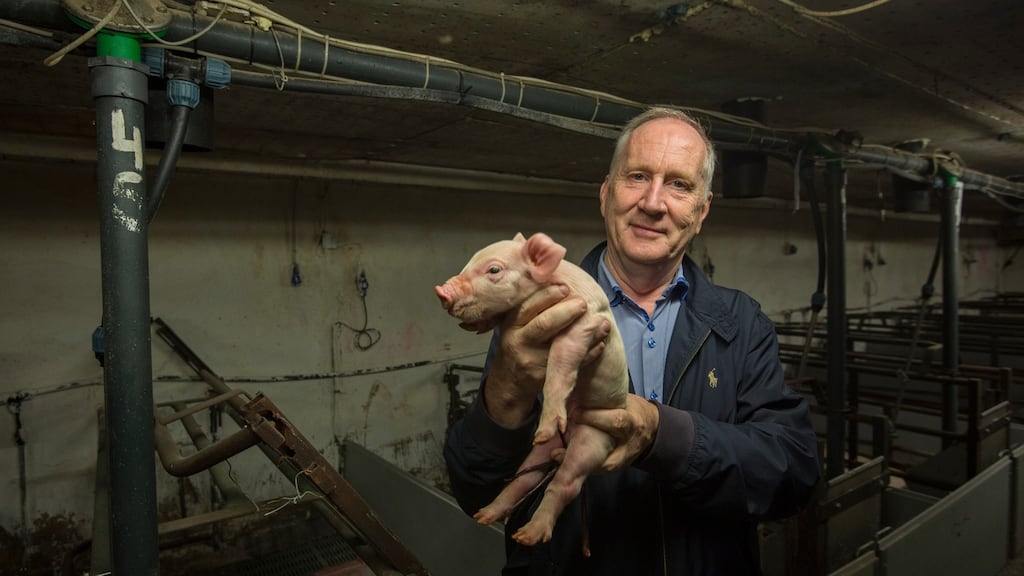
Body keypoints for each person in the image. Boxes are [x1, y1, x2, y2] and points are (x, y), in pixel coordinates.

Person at [444, 106, 820, 575]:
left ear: (701, 213)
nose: (654, 202)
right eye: (637, 176)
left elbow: (793, 474)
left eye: (680, 185)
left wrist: (662, 435)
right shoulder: (535, 312)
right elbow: (471, 487)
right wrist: (506, 390)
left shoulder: (740, 323)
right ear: (605, 194)